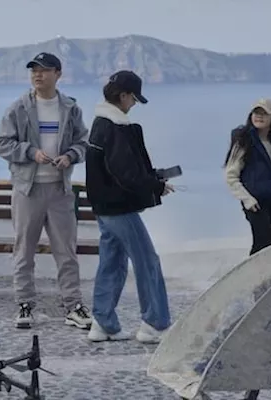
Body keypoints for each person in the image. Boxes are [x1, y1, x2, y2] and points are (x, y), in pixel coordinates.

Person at [0, 52, 93, 330]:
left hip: (60, 190)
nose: (38, 75)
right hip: (28, 191)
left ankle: (73, 306)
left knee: (66, 252)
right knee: (24, 250)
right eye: (34, 70)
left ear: (58, 74)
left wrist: (70, 156)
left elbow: (84, 143)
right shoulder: (18, 108)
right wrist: (29, 152)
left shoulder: (71, 109)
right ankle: (25, 305)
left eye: (44, 70)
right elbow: (1, 144)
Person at [83, 70, 174, 344]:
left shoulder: (100, 124)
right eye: (133, 98)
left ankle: (103, 323)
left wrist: (153, 177)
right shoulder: (116, 127)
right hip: (119, 208)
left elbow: (115, 169)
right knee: (147, 261)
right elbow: (126, 173)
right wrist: (156, 186)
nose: (134, 104)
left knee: (112, 262)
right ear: (123, 96)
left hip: (103, 206)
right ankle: (155, 323)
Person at [222, 98, 271, 254]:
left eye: (264, 113)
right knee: (262, 243)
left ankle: (265, 277)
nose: (259, 116)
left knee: (270, 245)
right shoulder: (244, 142)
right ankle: (254, 276)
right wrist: (247, 200)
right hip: (255, 203)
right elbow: (231, 175)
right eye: (256, 112)